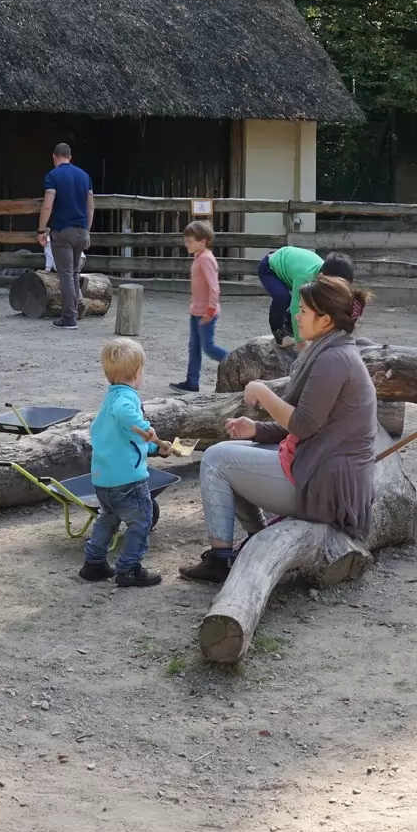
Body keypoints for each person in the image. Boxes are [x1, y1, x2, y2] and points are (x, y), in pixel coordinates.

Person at [180, 275, 377, 583]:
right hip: (322, 469)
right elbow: (309, 426)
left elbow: (303, 424)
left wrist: (261, 390)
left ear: (325, 320)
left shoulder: (334, 359)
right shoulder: (333, 350)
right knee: (227, 454)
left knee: (215, 460)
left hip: (326, 487)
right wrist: (256, 430)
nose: (296, 315)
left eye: (303, 311)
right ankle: (257, 540)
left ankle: (221, 559)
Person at [80, 337, 164, 588]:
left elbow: (125, 436)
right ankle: (129, 569)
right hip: (128, 479)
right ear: (138, 372)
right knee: (141, 520)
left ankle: (94, 563)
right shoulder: (126, 398)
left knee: (108, 518)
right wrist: (147, 429)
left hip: (104, 478)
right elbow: (126, 416)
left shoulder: (110, 398)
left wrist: (154, 448)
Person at [36, 143, 94, 330]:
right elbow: (90, 207)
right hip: (81, 231)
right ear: (70, 157)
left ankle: (69, 318)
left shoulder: (53, 176)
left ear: (54, 157)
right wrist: (87, 230)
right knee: (75, 273)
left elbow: (47, 205)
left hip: (62, 232)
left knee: (66, 274)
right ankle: (76, 308)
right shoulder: (85, 176)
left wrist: (41, 230)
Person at [171, 220, 227, 393]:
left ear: (202, 241)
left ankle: (236, 361)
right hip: (197, 311)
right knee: (194, 347)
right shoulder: (199, 257)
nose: (186, 244)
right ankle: (192, 382)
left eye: (190, 241)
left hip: (205, 313)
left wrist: (210, 311)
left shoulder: (206, 259)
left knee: (208, 348)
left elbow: (214, 287)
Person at [258, 245, 354, 344]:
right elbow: (296, 308)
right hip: (269, 267)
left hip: (290, 263)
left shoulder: (328, 273)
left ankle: (289, 324)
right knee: (283, 298)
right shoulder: (304, 278)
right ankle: (277, 329)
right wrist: (300, 342)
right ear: (321, 277)